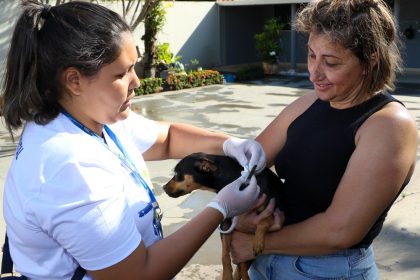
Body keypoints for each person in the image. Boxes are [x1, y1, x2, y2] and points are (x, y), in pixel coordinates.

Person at [1, 1, 267, 279]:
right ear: (74, 80)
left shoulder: (88, 116)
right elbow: (139, 274)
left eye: (134, 66)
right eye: (121, 73)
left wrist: (230, 144)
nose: (137, 81)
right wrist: (219, 208)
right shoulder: (71, 169)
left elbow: (166, 139)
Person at [230, 0, 418, 279]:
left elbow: (341, 231)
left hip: (327, 269)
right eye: (311, 55)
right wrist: (240, 217)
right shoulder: (307, 103)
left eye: (331, 62)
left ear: (370, 60)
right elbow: (247, 165)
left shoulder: (388, 125)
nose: (314, 73)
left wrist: (257, 243)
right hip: (265, 262)